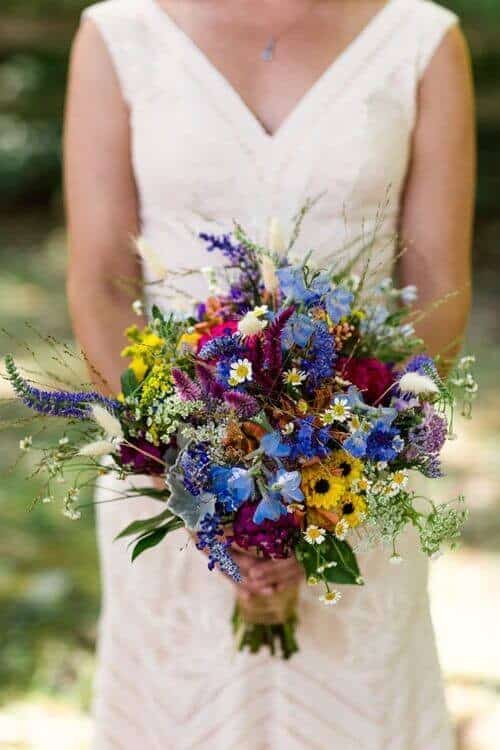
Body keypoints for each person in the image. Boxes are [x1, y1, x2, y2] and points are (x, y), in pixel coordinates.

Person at [64, 1, 475, 747]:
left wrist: (337, 470)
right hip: (167, 474)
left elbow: (439, 280)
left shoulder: (421, 37)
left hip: (359, 477)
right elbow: (100, 282)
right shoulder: (119, 32)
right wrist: (197, 483)